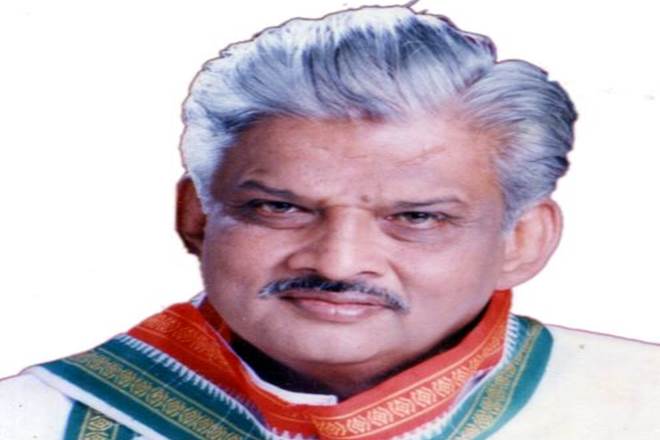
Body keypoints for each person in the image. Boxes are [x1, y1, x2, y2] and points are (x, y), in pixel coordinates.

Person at [1, 4, 659, 439]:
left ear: (523, 240)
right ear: (196, 216)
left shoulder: (637, 408)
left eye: (417, 217)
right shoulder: (31, 421)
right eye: (280, 208)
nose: (338, 263)